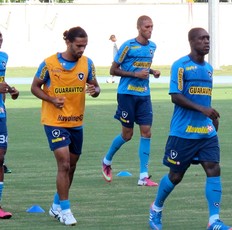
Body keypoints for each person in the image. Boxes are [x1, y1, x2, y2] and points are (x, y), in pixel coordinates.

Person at [148, 27, 232, 230]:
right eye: (202, 38)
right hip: (182, 132)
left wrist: (211, 117)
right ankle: (156, 209)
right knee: (176, 176)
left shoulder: (209, 69)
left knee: (214, 168)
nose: (206, 42)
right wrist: (203, 109)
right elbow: (175, 96)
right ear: (191, 41)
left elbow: (204, 99)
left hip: (206, 132)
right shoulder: (181, 66)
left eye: (208, 38)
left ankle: (214, 221)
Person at [31, 26, 100, 226]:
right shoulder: (49, 63)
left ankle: (55, 205)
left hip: (76, 122)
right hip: (54, 121)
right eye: (79, 45)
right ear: (68, 43)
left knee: (72, 166)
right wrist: (51, 99)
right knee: (64, 164)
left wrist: (95, 90)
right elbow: (35, 87)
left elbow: (95, 86)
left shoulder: (87, 64)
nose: (82, 50)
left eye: (85, 46)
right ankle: (66, 211)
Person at [101, 15, 160, 186]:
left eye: (152, 27)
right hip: (126, 94)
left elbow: (143, 68)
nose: (150, 30)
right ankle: (107, 160)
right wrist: (135, 74)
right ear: (139, 28)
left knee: (147, 132)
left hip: (144, 95)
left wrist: (152, 71)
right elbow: (114, 69)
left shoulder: (152, 47)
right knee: (127, 135)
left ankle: (143, 176)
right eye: (147, 27)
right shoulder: (128, 46)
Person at [0, 30, 19, 219]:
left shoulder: (3, 57)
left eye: (1, 38)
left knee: (0, 157)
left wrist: (10, 90)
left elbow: (1, 81)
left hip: (0, 112)